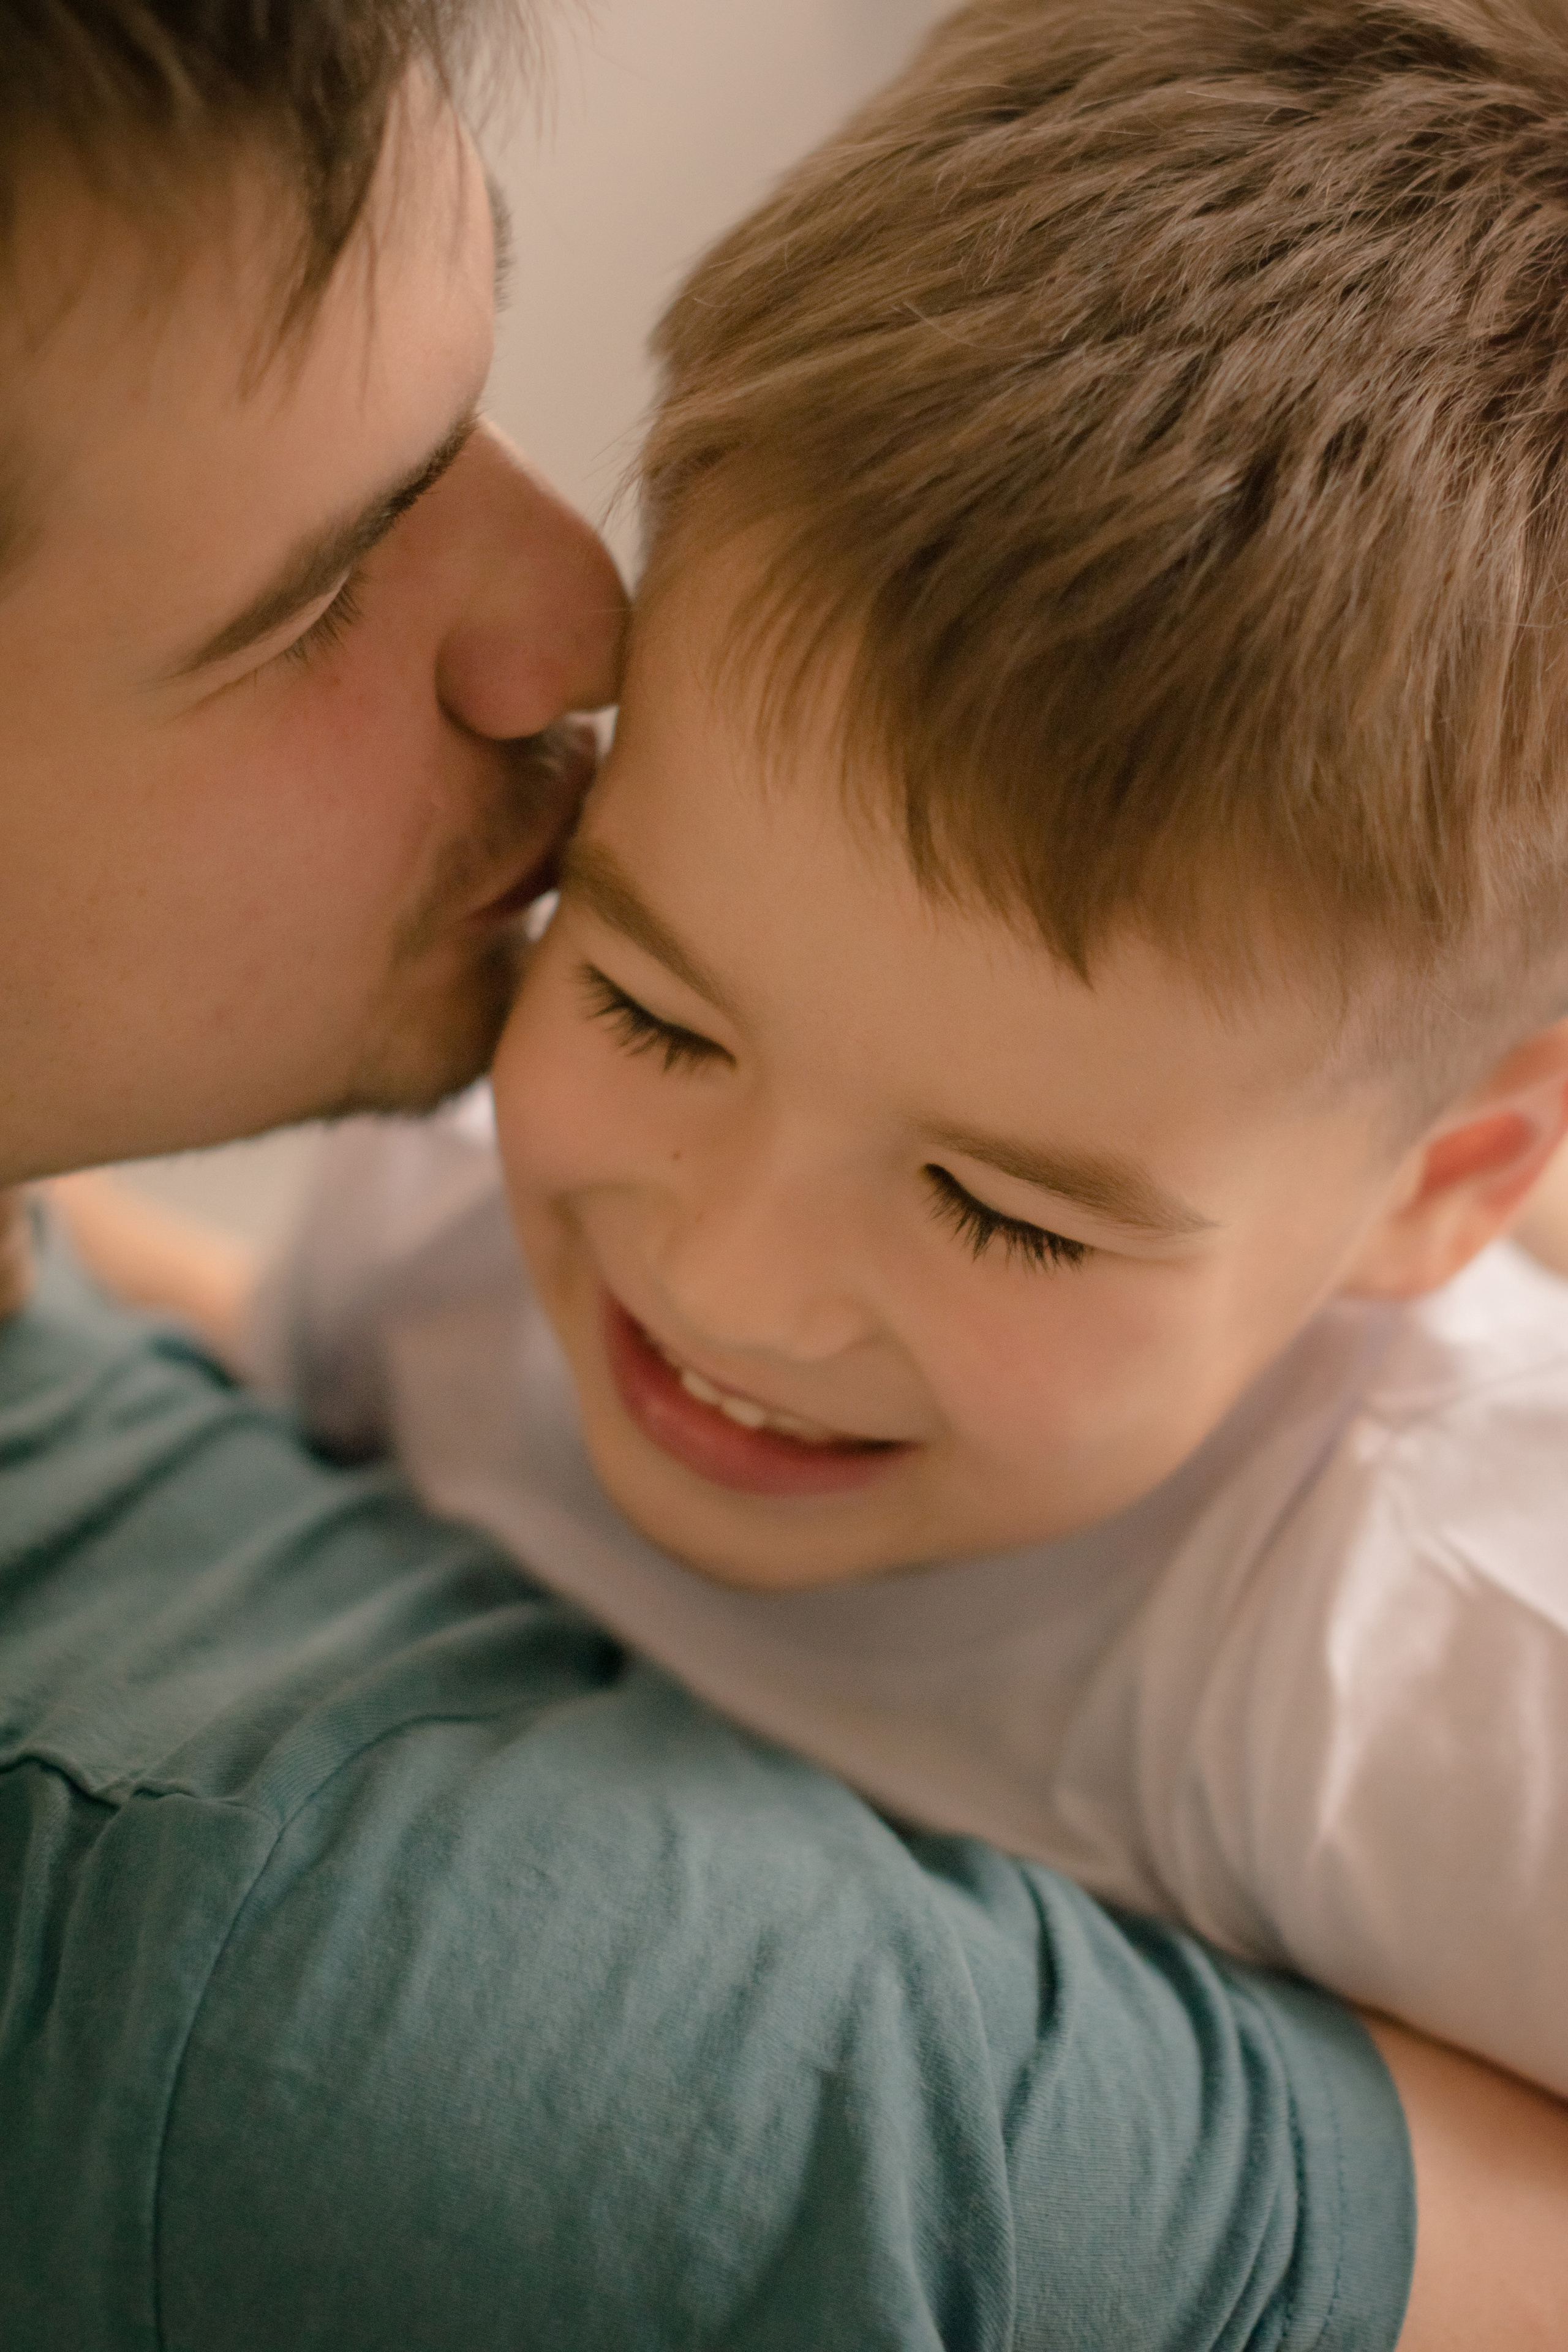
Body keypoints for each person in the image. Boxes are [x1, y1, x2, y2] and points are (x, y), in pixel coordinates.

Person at [5, 2, 1568, 2346]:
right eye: (643, 1011)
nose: (726, 1280)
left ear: (1445, 1187)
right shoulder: (448, 1217)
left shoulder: (1419, 1656)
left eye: (1015, 1213)